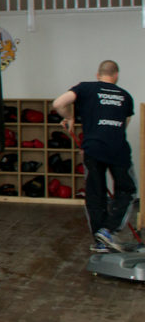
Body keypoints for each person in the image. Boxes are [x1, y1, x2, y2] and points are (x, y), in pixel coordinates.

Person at [54, 60, 136, 253]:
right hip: (118, 149)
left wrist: (69, 117)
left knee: (95, 195)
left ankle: (101, 238)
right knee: (127, 190)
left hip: (93, 149)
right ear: (116, 75)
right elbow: (124, 124)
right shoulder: (125, 96)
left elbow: (58, 103)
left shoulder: (86, 88)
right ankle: (108, 231)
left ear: (98, 75)